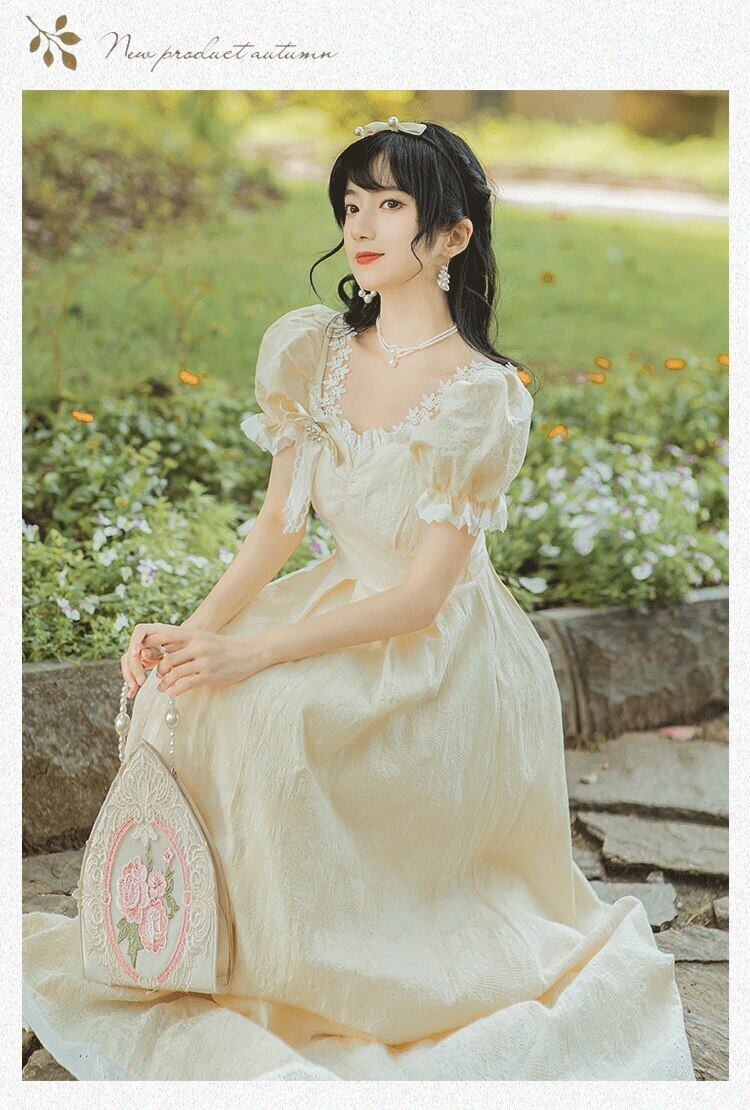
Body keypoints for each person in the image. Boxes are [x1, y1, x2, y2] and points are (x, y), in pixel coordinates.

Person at [22, 117, 696, 1081]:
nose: (362, 227)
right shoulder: (314, 353)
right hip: (338, 595)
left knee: (274, 713)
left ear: (453, 235)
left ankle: (323, 977)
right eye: (350, 205)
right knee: (189, 693)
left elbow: (421, 598)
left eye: (391, 204)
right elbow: (278, 526)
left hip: (441, 653)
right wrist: (193, 631)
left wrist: (253, 653)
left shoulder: (481, 396)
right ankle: (198, 948)